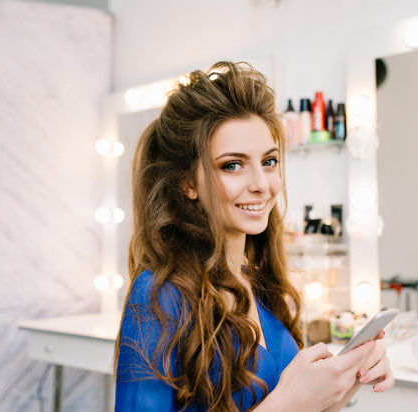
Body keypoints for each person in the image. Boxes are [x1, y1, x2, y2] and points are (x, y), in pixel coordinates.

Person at [114, 61, 394, 411]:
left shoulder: (262, 285)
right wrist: (289, 403)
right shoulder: (159, 294)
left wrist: (345, 381)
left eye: (269, 161)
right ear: (188, 183)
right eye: (232, 165)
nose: (261, 185)